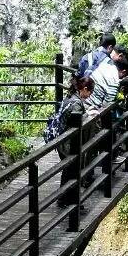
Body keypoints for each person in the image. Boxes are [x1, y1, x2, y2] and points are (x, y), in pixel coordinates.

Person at [56, 75, 95, 207]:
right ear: (84, 89)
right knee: (71, 170)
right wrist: (89, 115)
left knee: (69, 170)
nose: (89, 95)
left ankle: (68, 199)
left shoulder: (70, 96)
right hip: (67, 142)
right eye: (89, 92)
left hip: (62, 140)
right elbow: (76, 121)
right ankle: (66, 200)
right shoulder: (77, 102)